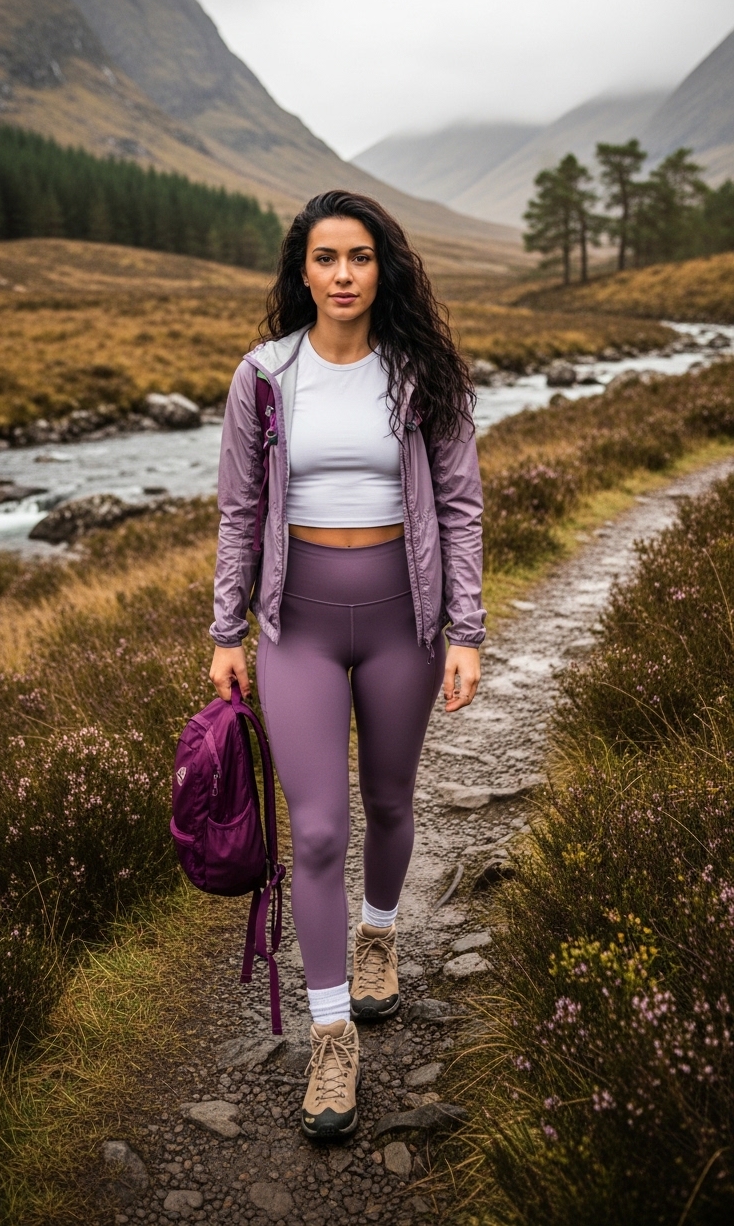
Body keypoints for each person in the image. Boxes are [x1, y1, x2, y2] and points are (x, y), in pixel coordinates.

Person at [209, 189, 485, 1139]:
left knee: (392, 801)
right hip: (299, 628)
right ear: (302, 270)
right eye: (325, 258)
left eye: (359, 257)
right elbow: (240, 512)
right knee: (320, 831)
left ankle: (378, 935)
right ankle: (332, 1037)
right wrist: (226, 633)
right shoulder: (264, 377)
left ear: (383, 269)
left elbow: (460, 508)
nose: (342, 275)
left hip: (406, 619)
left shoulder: (421, 374)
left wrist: (465, 631)